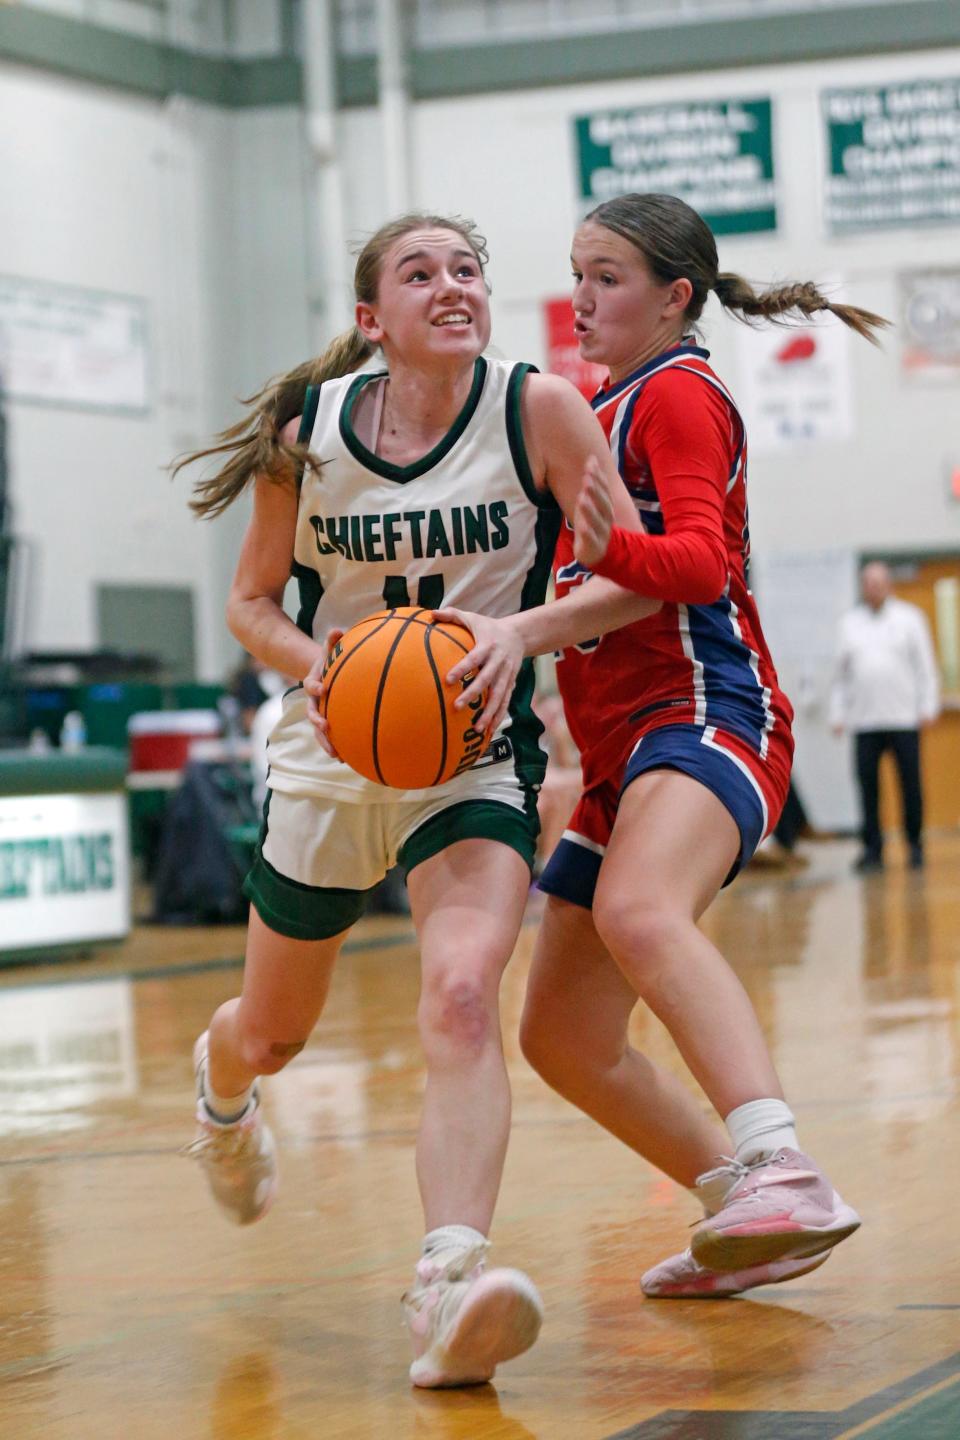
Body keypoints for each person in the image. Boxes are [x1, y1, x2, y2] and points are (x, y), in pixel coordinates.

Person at [174, 212, 659, 1387]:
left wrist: (519, 631)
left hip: (472, 753)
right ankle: (222, 1086)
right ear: (370, 320)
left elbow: (634, 580)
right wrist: (322, 667)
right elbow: (250, 604)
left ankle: (447, 1283)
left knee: (457, 998)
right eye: (420, 272)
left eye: (469, 270)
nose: (453, 286)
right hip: (333, 754)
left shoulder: (538, 409)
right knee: (275, 1032)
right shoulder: (312, 436)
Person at [444, 193, 888, 1300]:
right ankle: (745, 1210)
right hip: (618, 755)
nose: (581, 298)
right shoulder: (604, 402)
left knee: (643, 911)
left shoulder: (680, 397)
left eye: (606, 277)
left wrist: (611, 552)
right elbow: (600, 578)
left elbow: (693, 566)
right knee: (562, 1035)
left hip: (710, 711)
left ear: (673, 297)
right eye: (576, 273)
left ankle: (781, 1160)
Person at [830, 561, 940, 872]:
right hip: (864, 722)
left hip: (904, 719)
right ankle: (872, 848)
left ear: (888, 584)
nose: (874, 587)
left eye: (879, 582)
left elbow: (925, 667)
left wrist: (927, 705)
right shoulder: (849, 624)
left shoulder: (910, 619)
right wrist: (838, 713)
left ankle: (915, 845)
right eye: (869, 582)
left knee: (910, 785)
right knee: (867, 787)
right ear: (863, 586)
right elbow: (841, 676)